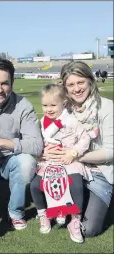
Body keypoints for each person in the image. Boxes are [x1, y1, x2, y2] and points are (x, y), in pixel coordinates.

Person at [42, 61, 113, 237]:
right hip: (69, 168)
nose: (77, 89)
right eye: (71, 84)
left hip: (99, 172)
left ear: (90, 81)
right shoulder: (63, 109)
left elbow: (111, 152)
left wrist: (74, 155)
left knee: (88, 230)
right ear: (65, 88)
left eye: (80, 82)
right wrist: (46, 152)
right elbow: (45, 134)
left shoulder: (106, 107)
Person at [0, 58, 44, 230]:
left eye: (5, 83)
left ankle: (16, 212)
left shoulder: (24, 106)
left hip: (12, 161)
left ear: (12, 82)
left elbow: (36, 145)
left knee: (27, 163)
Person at [30, 84, 94, 243]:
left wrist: (73, 152)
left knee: (76, 185)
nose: (48, 109)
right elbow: (38, 142)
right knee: (35, 185)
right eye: (45, 105)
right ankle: (43, 214)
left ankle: (74, 219)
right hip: (49, 162)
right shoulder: (42, 121)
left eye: (53, 105)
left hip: (68, 160)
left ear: (63, 102)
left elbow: (85, 138)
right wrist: (42, 153)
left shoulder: (70, 120)